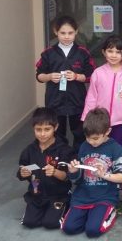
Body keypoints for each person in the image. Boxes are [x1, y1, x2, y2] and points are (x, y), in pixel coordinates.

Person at [62, 108, 122, 238]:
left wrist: (104, 175)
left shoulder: (116, 149)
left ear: (107, 131)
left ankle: (112, 210)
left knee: (92, 230)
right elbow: (77, 179)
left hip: (105, 197)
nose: (91, 141)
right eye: (87, 137)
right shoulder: (84, 146)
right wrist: (74, 172)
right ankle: (91, 214)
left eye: (95, 138)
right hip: (82, 195)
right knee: (69, 228)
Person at [36, 15, 95, 148]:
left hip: (77, 99)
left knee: (79, 132)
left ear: (76, 32)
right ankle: (60, 156)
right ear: (55, 32)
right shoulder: (48, 53)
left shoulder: (82, 53)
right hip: (55, 100)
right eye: (63, 33)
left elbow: (91, 75)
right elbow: (39, 76)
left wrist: (77, 76)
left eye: (70, 33)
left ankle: (78, 156)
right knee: (57, 132)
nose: (66, 36)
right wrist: (49, 76)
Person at [17, 108, 74, 229]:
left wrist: (55, 172)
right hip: (36, 195)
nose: (42, 134)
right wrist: (22, 173)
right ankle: (41, 210)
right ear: (33, 128)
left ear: (56, 127)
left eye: (47, 129)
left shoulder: (64, 150)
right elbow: (21, 169)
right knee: (30, 222)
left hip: (58, 195)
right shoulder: (29, 150)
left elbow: (67, 176)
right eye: (38, 129)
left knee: (50, 223)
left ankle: (65, 205)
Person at [82, 35, 122, 147]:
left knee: (116, 146)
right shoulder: (98, 73)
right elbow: (91, 97)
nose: (114, 55)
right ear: (104, 52)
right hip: (99, 120)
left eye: (118, 52)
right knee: (99, 146)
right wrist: (87, 117)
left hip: (120, 120)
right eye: (110, 51)